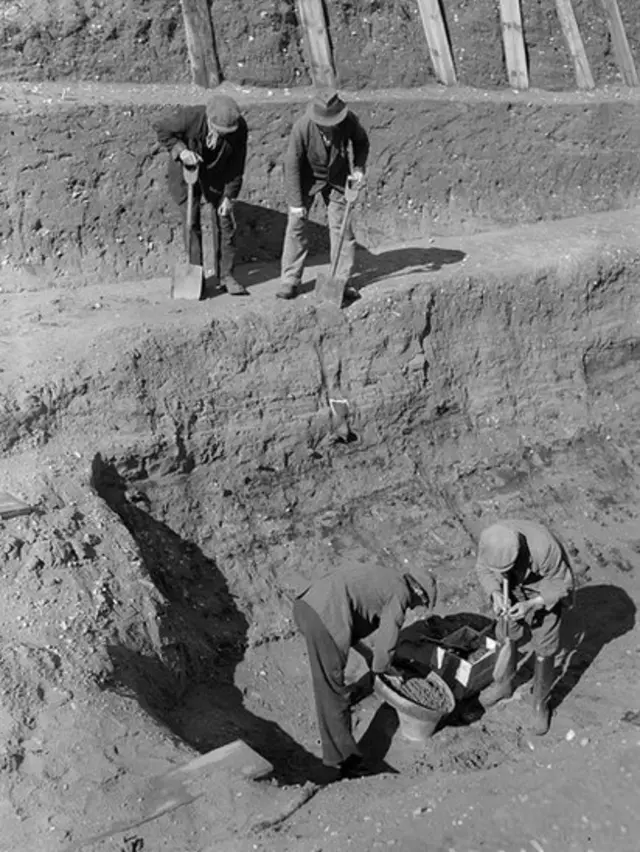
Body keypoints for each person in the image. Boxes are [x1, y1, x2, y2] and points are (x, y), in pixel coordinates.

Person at [293, 561, 436, 780]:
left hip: (308, 606)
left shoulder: (387, 579)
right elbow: (385, 647)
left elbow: (351, 613)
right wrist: (386, 670)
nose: (415, 607)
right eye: (422, 601)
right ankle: (344, 761)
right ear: (417, 590)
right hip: (323, 615)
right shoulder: (400, 593)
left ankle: (340, 743)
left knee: (330, 688)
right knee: (332, 692)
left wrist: (368, 654)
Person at [475, 519, 575, 735]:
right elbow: (482, 569)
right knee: (505, 632)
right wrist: (496, 593)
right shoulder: (491, 541)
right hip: (511, 587)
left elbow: (562, 585)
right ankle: (504, 684)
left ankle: (540, 703)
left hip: (542, 588)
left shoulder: (545, 548)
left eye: (505, 568)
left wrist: (531, 604)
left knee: (545, 644)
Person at [277, 89, 370, 300]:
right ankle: (290, 280)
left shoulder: (348, 121)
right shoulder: (302, 127)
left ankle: (340, 280)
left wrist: (358, 168)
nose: (330, 127)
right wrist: (295, 203)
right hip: (307, 178)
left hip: (337, 177)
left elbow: (361, 142)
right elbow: (291, 164)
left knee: (342, 229)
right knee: (296, 226)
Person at [155, 93, 249, 296]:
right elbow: (162, 129)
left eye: (226, 133)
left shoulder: (239, 128)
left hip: (217, 174)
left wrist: (229, 196)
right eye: (218, 131)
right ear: (209, 119)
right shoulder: (190, 118)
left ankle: (226, 275)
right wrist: (181, 151)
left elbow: (236, 165)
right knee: (192, 221)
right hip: (187, 171)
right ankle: (196, 275)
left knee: (225, 221)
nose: (222, 136)